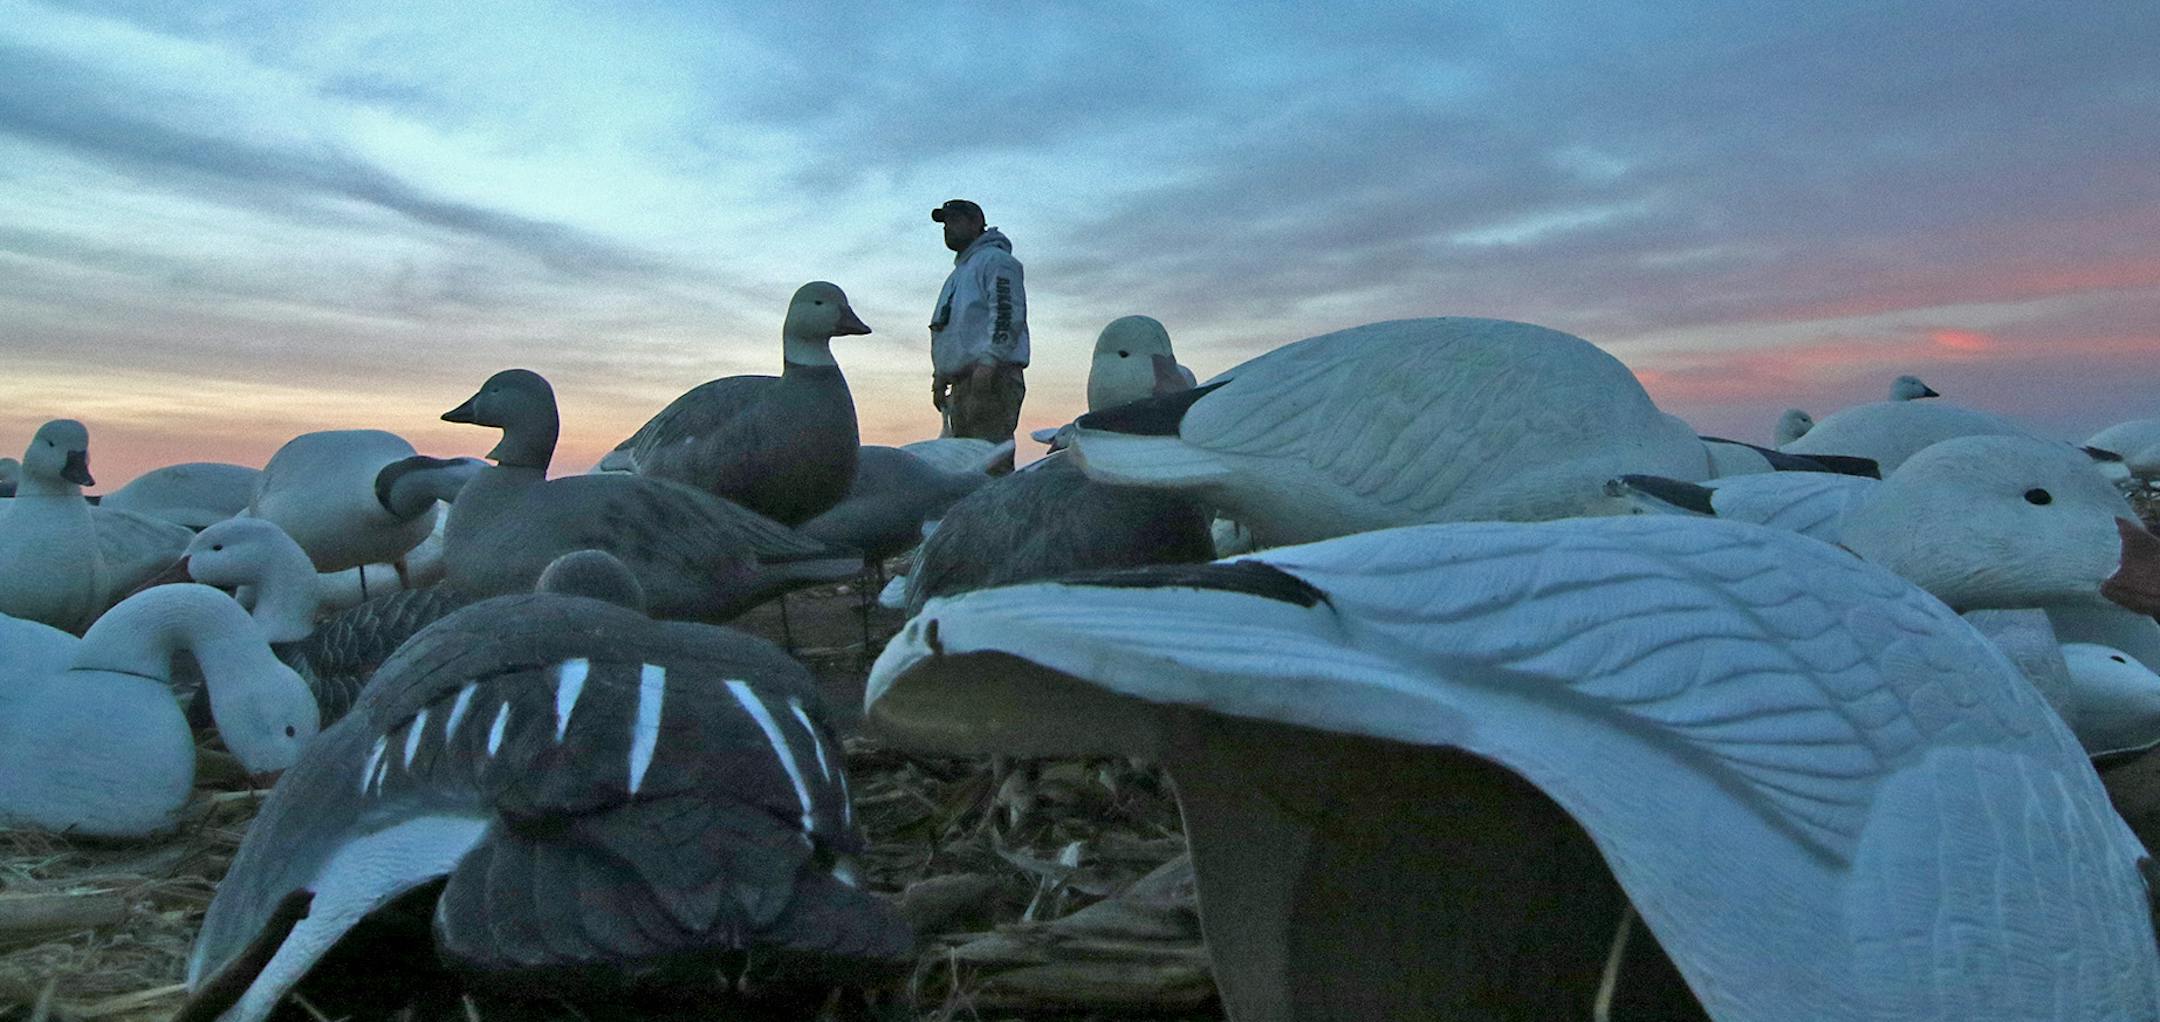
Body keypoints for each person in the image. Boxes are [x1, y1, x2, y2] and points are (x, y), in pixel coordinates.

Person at [929, 199, 1027, 465]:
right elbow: (946, 326)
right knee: (963, 464)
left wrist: (990, 361)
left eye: (955, 221)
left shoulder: (997, 262)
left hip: (990, 380)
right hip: (962, 383)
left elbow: (1007, 312)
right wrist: (941, 375)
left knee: (987, 462)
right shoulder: (959, 273)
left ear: (975, 223)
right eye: (945, 223)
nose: (948, 228)